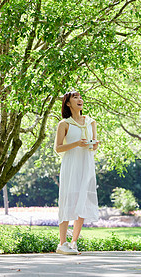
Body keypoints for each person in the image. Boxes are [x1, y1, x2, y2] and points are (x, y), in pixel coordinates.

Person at [54, 91, 100, 255]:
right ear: (68, 103)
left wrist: (94, 144)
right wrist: (75, 144)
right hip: (70, 166)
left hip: (86, 165)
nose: (79, 100)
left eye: (80, 97)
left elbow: (94, 146)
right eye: (75, 97)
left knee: (82, 201)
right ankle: (62, 243)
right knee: (68, 201)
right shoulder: (64, 124)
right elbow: (58, 148)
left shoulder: (90, 122)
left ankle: (74, 242)